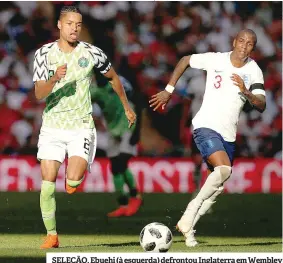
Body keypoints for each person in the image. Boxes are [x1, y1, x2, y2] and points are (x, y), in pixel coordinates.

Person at [149, 29, 266, 247]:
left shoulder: (254, 71)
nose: (244, 46)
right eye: (241, 41)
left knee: (217, 186)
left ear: (253, 48)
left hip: (228, 135)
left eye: (250, 44)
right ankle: (188, 214)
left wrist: (246, 91)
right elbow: (185, 60)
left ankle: (189, 230)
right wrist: (168, 90)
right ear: (234, 41)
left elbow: (261, 105)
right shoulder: (216, 59)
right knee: (223, 170)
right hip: (205, 126)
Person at [33, 6, 136, 249]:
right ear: (59, 25)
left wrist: (126, 107)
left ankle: (74, 178)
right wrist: (54, 78)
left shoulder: (92, 53)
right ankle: (52, 235)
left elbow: (113, 78)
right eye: (70, 24)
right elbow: (39, 93)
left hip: (80, 127)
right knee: (47, 184)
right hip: (52, 126)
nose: (74, 28)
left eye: (78, 24)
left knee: (72, 183)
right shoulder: (43, 54)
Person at [90, 71, 143, 217]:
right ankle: (123, 204)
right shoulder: (94, 90)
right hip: (113, 130)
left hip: (128, 124)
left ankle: (135, 196)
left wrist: (138, 131)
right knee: (115, 166)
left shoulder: (118, 81)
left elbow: (137, 101)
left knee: (121, 162)